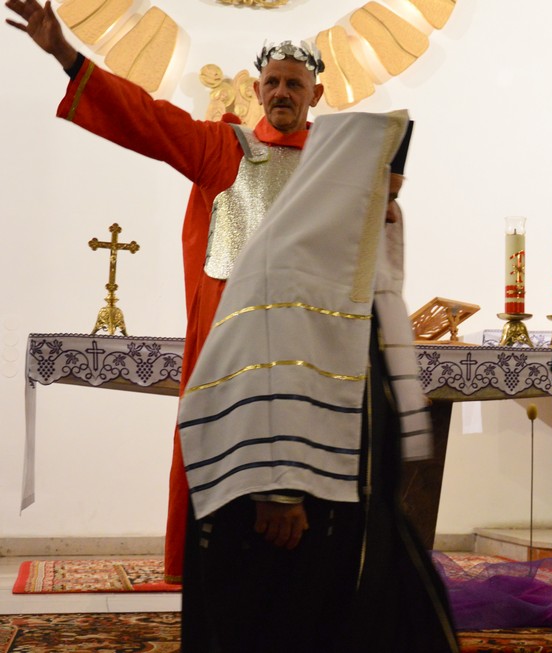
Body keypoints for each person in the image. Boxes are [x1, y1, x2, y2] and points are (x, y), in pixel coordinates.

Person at [6, 0, 326, 583]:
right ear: (258, 89)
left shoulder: (333, 169)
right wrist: (66, 55)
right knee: (223, 508)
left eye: (294, 84)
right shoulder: (223, 148)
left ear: (316, 94)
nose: (282, 92)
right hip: (231, 350)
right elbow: (146, 118)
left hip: (306, 349)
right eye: (274, 82)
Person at [175, 111, 458, 652]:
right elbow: (257, 380)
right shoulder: (282, 263)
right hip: (291, 510)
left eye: (397, 197)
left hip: (356, 503)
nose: (391, 213)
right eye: (381, 196)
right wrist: (277, 490)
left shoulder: (354, 275)